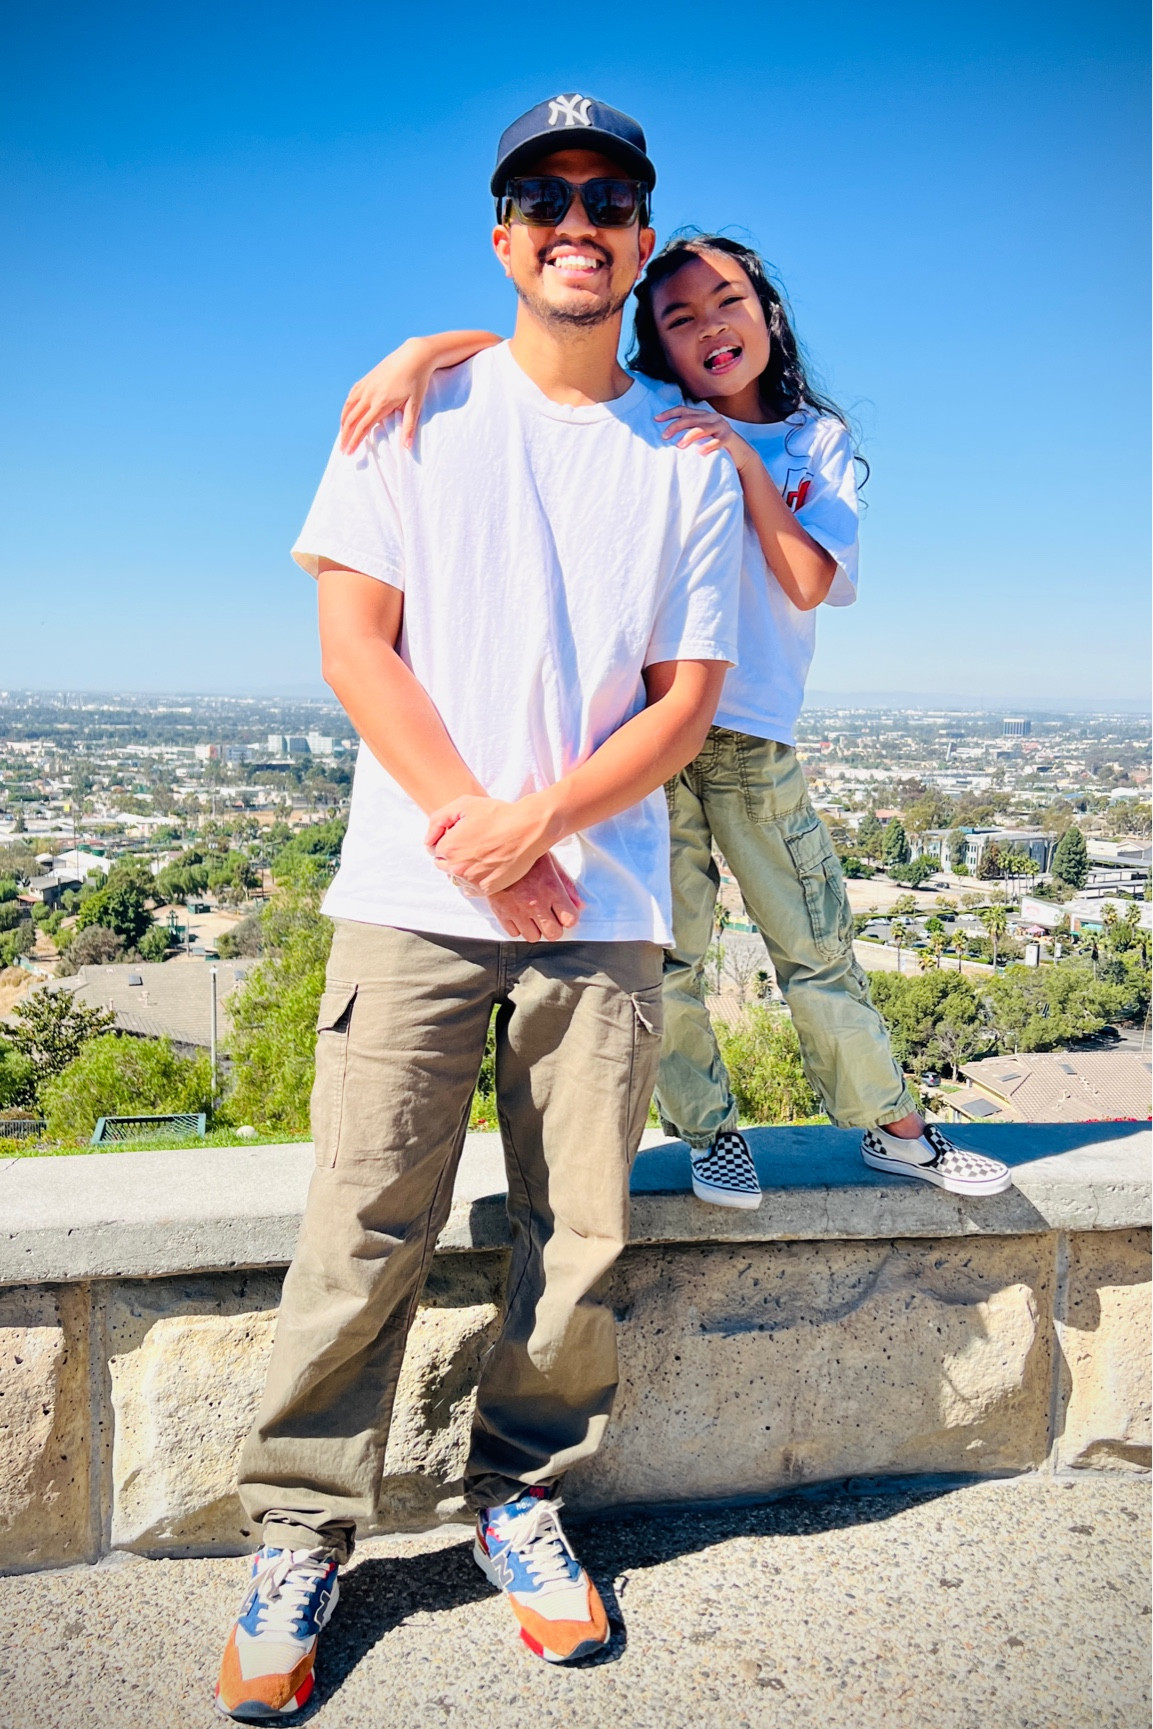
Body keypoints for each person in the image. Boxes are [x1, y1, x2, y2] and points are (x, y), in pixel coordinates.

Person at [214, 98, 744, 1723]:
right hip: (410, 891)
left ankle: (519, 1499)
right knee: (364, 1219)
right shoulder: (409, 411)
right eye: (542, 194)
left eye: (607, 197)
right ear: (503, 233)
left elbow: (684, 700)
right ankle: (301, 1530)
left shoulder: (688, 464)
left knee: (574, 1234)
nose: (575, 218)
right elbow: (353, 645)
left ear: (638, 237)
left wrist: (542, 822)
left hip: (599, 899)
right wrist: (478, 830)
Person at [338, 238, 1013, 1213]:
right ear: (657, 342)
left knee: (810, 937)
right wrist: (418, 350)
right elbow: (538, 347)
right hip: (645, 731)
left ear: (764, 312)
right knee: (673, 954)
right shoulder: (656, 422)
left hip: (744, 733)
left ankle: (894, 1126)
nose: (708, 327)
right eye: (679, 318)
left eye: (724, 300)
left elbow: (807, 577)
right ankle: (708, 1131)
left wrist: (741, 457)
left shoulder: (808, 441)